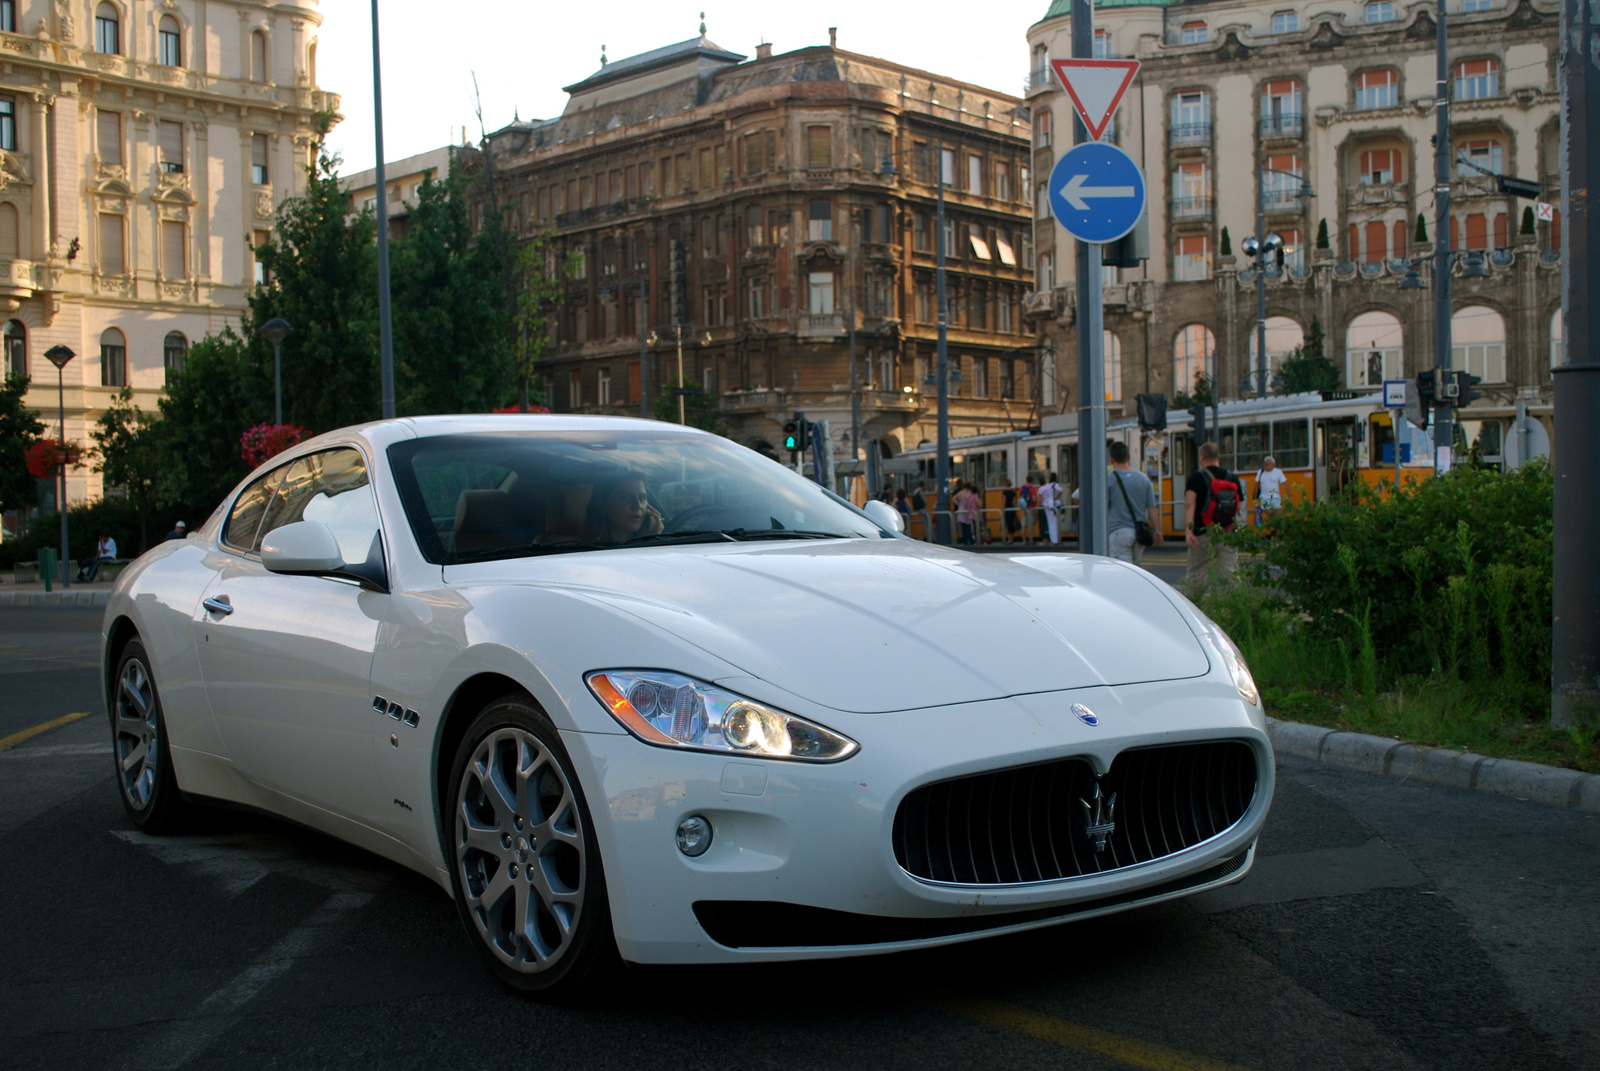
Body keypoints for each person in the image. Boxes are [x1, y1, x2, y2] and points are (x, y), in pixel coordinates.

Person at [1185, 442, 1241, 592]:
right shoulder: (1232, 478)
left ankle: (1194, 607)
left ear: (1202, 457)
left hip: (1202, 533)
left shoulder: (1196, 478)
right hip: (1226, 534)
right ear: (1218, 458)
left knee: (1196, 576)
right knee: (1230, 575)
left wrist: (1189, 532)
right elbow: (1238, 505)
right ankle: (1232, 608)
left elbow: (1190, 503)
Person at [1106, 441, 1164, 565]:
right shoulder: (1144, 479)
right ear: (1129, 457)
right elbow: (1151, 507)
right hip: (1139, 533)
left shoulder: (1109, 479)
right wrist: (1157, 530)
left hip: (1118, 532)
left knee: (1122, 572)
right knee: (1135, 570)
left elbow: (1078, 496)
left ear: (1112, 460)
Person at [583, 471, 663, 544]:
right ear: (606, 504)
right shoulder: (585, 547)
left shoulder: (657, 541)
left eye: (642, 498)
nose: (637, 505)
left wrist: (651, 540)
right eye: (626, 497)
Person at [1253, 455, 1288, 526]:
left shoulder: (1278, 472)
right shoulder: (1260, 472)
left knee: (1278, 517)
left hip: (1275, 498)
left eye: (1267, 464)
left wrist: (1288, 496)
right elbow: (1256, 485)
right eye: (1264, 464)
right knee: (1271, 517)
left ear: (1273, 465)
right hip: (1265, 498)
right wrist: (1255, 497)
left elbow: (1285, 484)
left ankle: (1276, 533)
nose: (1265, 465)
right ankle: (1274, 533)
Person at [1038, 472, 1063, 545]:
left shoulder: (1048, 486)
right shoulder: (1055, 485)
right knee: (1054, 523)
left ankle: (1053, 539)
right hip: (1054, 505)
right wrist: (1056, 497)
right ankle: (1056, 539)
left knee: (1050, 523)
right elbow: (1060, 490)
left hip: (1049, 505)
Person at [999, 476, 1020, 544]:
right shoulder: (1013, 493)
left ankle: (1009, 539)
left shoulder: (1005, 493)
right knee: (1012, 524)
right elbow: (1014, 502)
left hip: (1007, 509)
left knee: (1008, 524)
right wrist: (1016, 510)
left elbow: (1004, 502)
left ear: (1005, 484)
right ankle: (1012, 538)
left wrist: (1002, 509)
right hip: (1012, 509)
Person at [1017, 474, 1036, 544]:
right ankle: (1031, 539)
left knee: (1024, 524)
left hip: (1023, 507)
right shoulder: (1032, 488)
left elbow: (1020, 496)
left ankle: (1024, 540)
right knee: (1030, 524)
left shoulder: (1022, 488)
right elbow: (1034, 499)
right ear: (1033, 481)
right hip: (1030, 507)